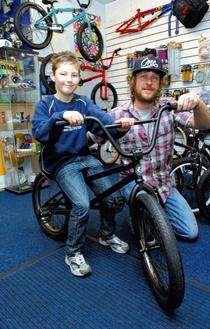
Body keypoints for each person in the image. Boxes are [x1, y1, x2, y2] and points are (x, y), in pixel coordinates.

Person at [32, 51, 134, 277]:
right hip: (60, 162)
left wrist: (120, 126)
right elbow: (39, 133)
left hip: (84, 156)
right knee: (82, 204)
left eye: (74, 75)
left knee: (113, 197)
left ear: (79, 78)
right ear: (53, 76)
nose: (69, 79)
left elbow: (103, 122)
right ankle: (72, 253)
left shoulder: (83, 102)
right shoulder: (45, 104)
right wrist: (59, 117)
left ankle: (106, 235)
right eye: (64, 74)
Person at [111, 54, 210, 241]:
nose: (149, 82)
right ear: (133, 81)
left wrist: (197, 103)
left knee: (190, 233)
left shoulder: (168, 108)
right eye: (143, 77)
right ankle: (143, 215)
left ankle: (156, 214)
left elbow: (204, 124)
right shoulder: (117, 114)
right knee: (147, 236)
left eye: (154, 78)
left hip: (164, 182)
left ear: (160, 83)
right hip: (134, 184)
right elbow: (92, 137)